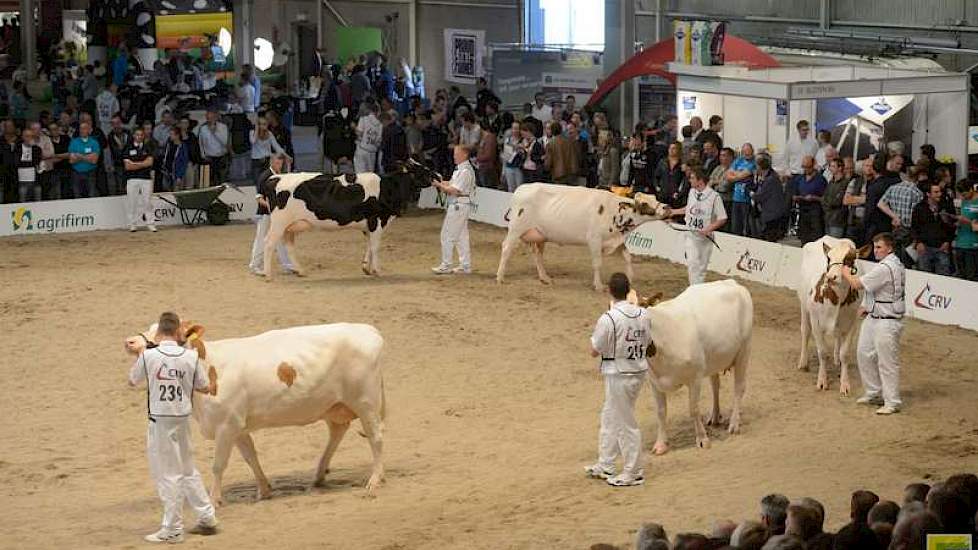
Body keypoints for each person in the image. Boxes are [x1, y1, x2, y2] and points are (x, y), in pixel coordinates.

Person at [126, 311, 218, 544]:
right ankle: (206, 516)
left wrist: (140, 354)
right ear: (178, 331)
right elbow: (205, 387)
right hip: (183, 418)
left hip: (160, 420)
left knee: (168, 475)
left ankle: (173, 528)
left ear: (158, 333)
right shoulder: (190, 357)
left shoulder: (150, 356)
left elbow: (132, 381)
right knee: (188, 470)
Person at [584, 272, 652, 487]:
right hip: (637, 370)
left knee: (624, 423)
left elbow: (594, 350)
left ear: (609, 291)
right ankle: (606, 463)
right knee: (610, 416)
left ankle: (634, 471)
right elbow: (649, 343)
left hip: (618, 372)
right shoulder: (643, 314)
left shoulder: (609, 318)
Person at [841, 232, 906, 415]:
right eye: (875, 247)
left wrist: (844, 270)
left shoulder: (886, 268)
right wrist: (866, 306)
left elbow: (856, 284)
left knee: (887, 362)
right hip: (875, 317)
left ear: (889, 248)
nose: (876, 251)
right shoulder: (890, 265)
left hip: (887, 321)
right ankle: (873, 392)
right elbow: (876, 290)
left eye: (879, 247)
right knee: (863, 353)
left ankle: (892, 401)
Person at [667, 167, 728, 285]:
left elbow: (722, 218)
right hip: (691, 235)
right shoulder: (691, 192)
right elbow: (688, 209)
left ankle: (697, 290)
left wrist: (708, 229)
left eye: (692, 178)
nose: (690, 180)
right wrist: (673, 212)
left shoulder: (714, 197)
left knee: (701, 268)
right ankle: (693, 290)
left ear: (700, 181)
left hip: (706, 239)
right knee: (692, 263)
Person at [431, 145, 476, 275]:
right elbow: (451, 184)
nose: (454, 156)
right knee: (461, 236)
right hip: (460, 204)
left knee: (447, 234)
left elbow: (455, 190)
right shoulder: (460, 170)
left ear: (465, 155)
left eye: (457, 153)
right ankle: (465, 265)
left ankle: (446, 264)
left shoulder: (465, 171)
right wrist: (440, 181)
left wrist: (439, 185)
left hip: (458, 204)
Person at [250, 153, 296, 276]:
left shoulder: (279, 176)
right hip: (266, 214)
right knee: (261, 238)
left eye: (280, 163)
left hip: (276, 214)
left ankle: (288, 266)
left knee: (280, 239)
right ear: (271, 162)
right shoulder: (265, 176)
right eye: (276, 163)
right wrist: (270, 208)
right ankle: (254, 265)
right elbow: (259, 197)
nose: (279, 165)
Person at [910, 183, 954, 275]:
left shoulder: (946, 206)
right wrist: (918, 242)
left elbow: (952, 226)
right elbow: (914, 227)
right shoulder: (919, 208)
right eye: (936, 192)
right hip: (925, 247)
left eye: (940, 191)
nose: (939, 194)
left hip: (942, 247)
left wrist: (947, 241)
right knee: (924, 276)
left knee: (944, 276)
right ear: (928, 194)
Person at [123, 127, 157, 232]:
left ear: (143, 136)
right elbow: (128, 167)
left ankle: (150, 223)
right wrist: (143, 164)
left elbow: (150, 163)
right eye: (137, 134)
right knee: (132, 202)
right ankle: (132, 224)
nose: (139, 136)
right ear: (133, 135)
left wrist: (135, 164)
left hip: (146, 179)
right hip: (132, 179)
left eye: (141, 135)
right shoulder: (128, 148)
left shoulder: (148, 147)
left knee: (147, 202)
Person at [751, 155, 787, 242]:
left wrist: (751, 194)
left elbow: (760, 196)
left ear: (760, 166)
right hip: (770, 213)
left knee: (769, 239)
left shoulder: (771, 179)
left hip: (772, 215)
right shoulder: (768, 176)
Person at [794, 155, 827, 244]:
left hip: (815, 212)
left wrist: (814, 198)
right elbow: (796, 192)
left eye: (808, 167)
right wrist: (796, 197)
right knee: (804, 238)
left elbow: (826, 198)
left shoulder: (820, 180)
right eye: (803, 167)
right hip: (803, 211)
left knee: (816, 238)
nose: (805, 169)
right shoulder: (800, 179)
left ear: (813, 166)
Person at [727, 143, 756, 236]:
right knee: (735, 226)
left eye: (749, 151)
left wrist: (736, 175)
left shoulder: (754, 162)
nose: (746, 154)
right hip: (736, 197)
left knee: (746, 226)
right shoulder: (738, 160)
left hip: (746, 198)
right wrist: (739, 175)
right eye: (745, 152)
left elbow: (744, 174)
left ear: (752, 151)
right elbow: (728, 175)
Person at [844, 157, 874, 245]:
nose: (869, 168)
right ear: (862, 167)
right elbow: (846, 200)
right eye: (866, 165)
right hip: (853, 221)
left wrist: (854, 198)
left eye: (871, 166)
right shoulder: (855, 181)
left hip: (868, 223)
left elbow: (873, 201)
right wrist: (864, 199)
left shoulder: (876, 182)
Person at [195, 108, 230, 185]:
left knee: (221, 178)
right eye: (208, 118)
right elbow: (201, 143)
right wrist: (203, 155)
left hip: (221, 157)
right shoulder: (203, 128)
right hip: (209, 157)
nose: (209, 119)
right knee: (209, 179)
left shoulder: (223, 127)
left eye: (211, 117)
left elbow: (224, 142)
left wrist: (215, 132)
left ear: (216, 117)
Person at [952, 179, 978, 281]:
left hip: (974, 245)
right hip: (961, 243)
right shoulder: (964, 201)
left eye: (965, 194)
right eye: (961, 195)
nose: (963, 197)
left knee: (972, 277)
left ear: (972, 189)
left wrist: (969, 222)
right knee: (961, 277)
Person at [68, 121, 100, 198]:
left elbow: (94, 160)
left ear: (89, 130)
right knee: (77, 195)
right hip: (77, 173)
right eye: (81, 128)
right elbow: (72, 160)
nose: (82, 130)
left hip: (90, 173)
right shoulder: (74, 142)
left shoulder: (94, 142)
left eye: (85, 128)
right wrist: (88, 156)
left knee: (91, 195)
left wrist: (79, 156)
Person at [821, 157, 849, 238]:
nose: (830, 168)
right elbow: (824, 197)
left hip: (838, 220)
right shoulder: (831, 182)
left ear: (840, 168)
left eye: (833, 166)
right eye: (830, 166)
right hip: (828, 218)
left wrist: (828, 202)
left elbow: (838, 200)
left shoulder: (845, 183)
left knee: (835, 244)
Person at [15, 126, 43, 202]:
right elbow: (17, 163)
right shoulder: (17, 148)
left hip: (35, 180)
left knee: (37, 200)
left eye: (31, 136)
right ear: (23, 137)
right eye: (27, 136)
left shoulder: (36, 149)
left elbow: (36, 162)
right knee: (23, 201)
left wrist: (33, 147)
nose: (29, 138)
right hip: (22, 180)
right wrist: (28, 163)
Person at [354, 102, 382, 173]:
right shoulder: (380, 124)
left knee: (360, 174)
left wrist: (354, 128)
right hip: (372, 152)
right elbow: (379, 141)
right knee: (370, 174)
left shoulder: (363, 119)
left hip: (362, 149)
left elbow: (359, 133)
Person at [160, 127, 189, 192]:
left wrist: (179, 176)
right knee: (166, 191)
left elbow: (184, 163)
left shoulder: (182, 147)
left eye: (172, 134)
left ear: (177, 135)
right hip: (167, 172)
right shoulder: (169, 145)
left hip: (176, 174)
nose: (170, 136)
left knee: (176, 192)